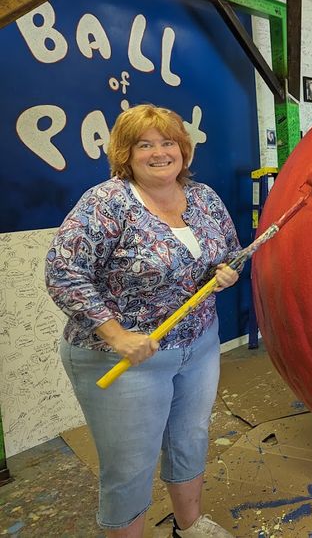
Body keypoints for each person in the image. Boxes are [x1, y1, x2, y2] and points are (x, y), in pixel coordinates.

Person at [45, 104, 240, 538]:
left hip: (199, 342)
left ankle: (189, 525)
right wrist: (117, 336)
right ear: (126, 153)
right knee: (130, 463)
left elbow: (229, 252)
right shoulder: (107, 203)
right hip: (123, 355)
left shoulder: (204, 197)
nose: (159, 152)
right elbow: (63, 272)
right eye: (144, 144)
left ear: (183, 150)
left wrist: (226, 273)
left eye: (168, 142)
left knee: (189, 439)